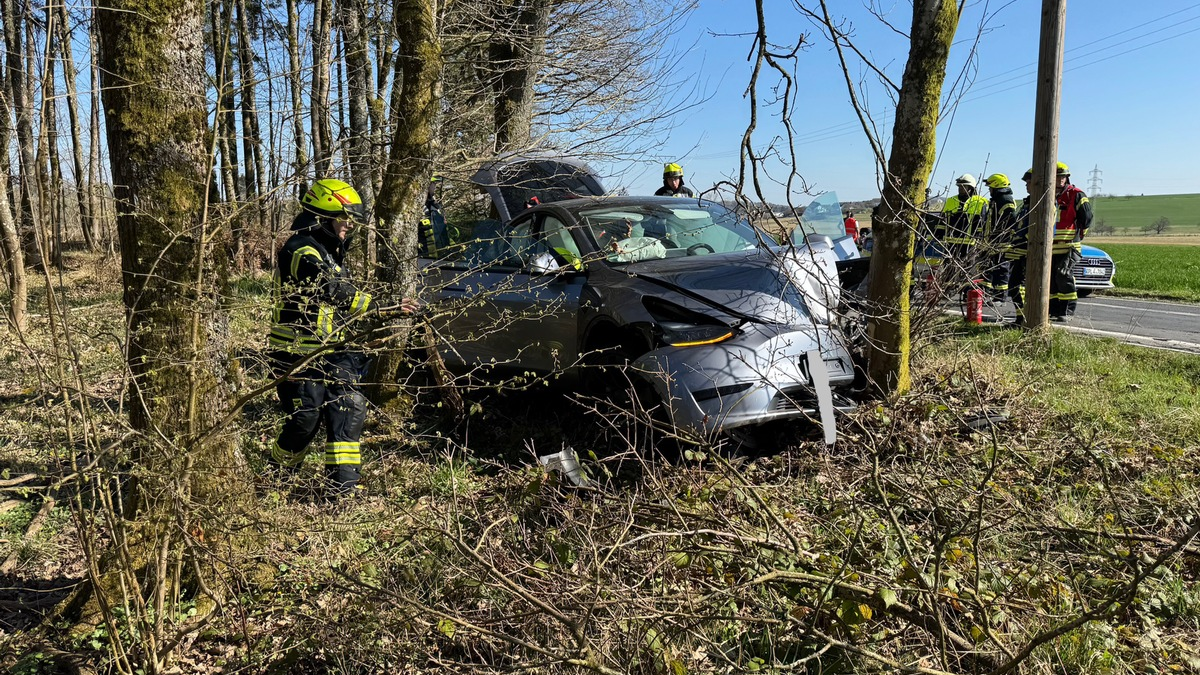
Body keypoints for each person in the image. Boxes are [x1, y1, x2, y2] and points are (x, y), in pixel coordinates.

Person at [267, 179, 417, 499]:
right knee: (306, 419)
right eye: (342, 219)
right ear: (321, 218)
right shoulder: (300, 250)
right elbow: (331, 291)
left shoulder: (330, 253)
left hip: (332, 351)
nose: (348, 226)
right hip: (297, 354)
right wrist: (385, 309)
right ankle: (275, 480)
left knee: (349, 409)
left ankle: (342, 490)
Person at [1049, 162, 1093, 321]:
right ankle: (1053, 310)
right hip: (1051, 247)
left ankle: (1067, 311)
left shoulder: (1076, 194)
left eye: (1062, 176)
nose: (1060, 179)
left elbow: (1086, 217)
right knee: (1051, 280)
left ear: (1067, 178)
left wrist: (1078, 235)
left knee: (1063, 274)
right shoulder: (1048, 194)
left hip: (1069, 246)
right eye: (1057, 176)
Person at [937, 173, 989, 287]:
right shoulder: (951, 200)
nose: (961, 189)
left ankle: (966, 290)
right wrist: (939, 235)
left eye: (964, 186)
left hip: (970, 242)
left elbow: (985, 223)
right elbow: (943, 221)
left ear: (971, 188)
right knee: (949, 266)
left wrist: (981, 238)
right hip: (951, 240)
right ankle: (948, 288)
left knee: (967, 267)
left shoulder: (980, 202)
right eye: (959, 187)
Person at [982, 173, 1017, 303]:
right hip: (993, 241)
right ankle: (989, 295)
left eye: (990, 187)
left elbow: (1010, 220)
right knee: (991, 269)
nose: (989, 190)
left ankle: (1000, 297)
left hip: (1003, 242)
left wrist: (1001, 235)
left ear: (996, 187)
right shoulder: (996, 200)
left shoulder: (1005, 200)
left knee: (1001, 270)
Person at [1005, 169, 1033, 325]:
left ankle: (1024, 319)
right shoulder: (1027, 203)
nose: (1027, 186)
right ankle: (1019, 318)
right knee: (1014, 286)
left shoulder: (1040, 204)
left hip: (1027, 252)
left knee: (1018, 285)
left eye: (1029, 182)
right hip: (1018, 251)